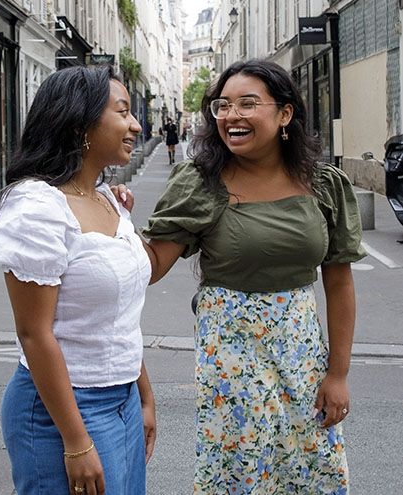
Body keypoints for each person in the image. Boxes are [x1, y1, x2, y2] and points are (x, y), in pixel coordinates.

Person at [117, 59, 365, 494]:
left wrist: (338, 374)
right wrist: (112, 218)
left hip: (302, 351)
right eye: (222, 105)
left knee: (310, 467)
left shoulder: (322, 185)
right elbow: (151, 266)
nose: (231, 115)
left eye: (247, 103)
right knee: (239, 466)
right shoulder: (201, 182)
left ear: (284, 114)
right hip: (230, 353)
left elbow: (339, 282)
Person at [0, 66, 155, 495]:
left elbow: (117, 318)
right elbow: (34, 333)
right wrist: (77, 443)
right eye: (122, 111)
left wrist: (144, 397)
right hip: (61, 411)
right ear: (81, 124)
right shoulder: (37, 208)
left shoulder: (107, 200)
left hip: (123, 401)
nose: (135, 124)